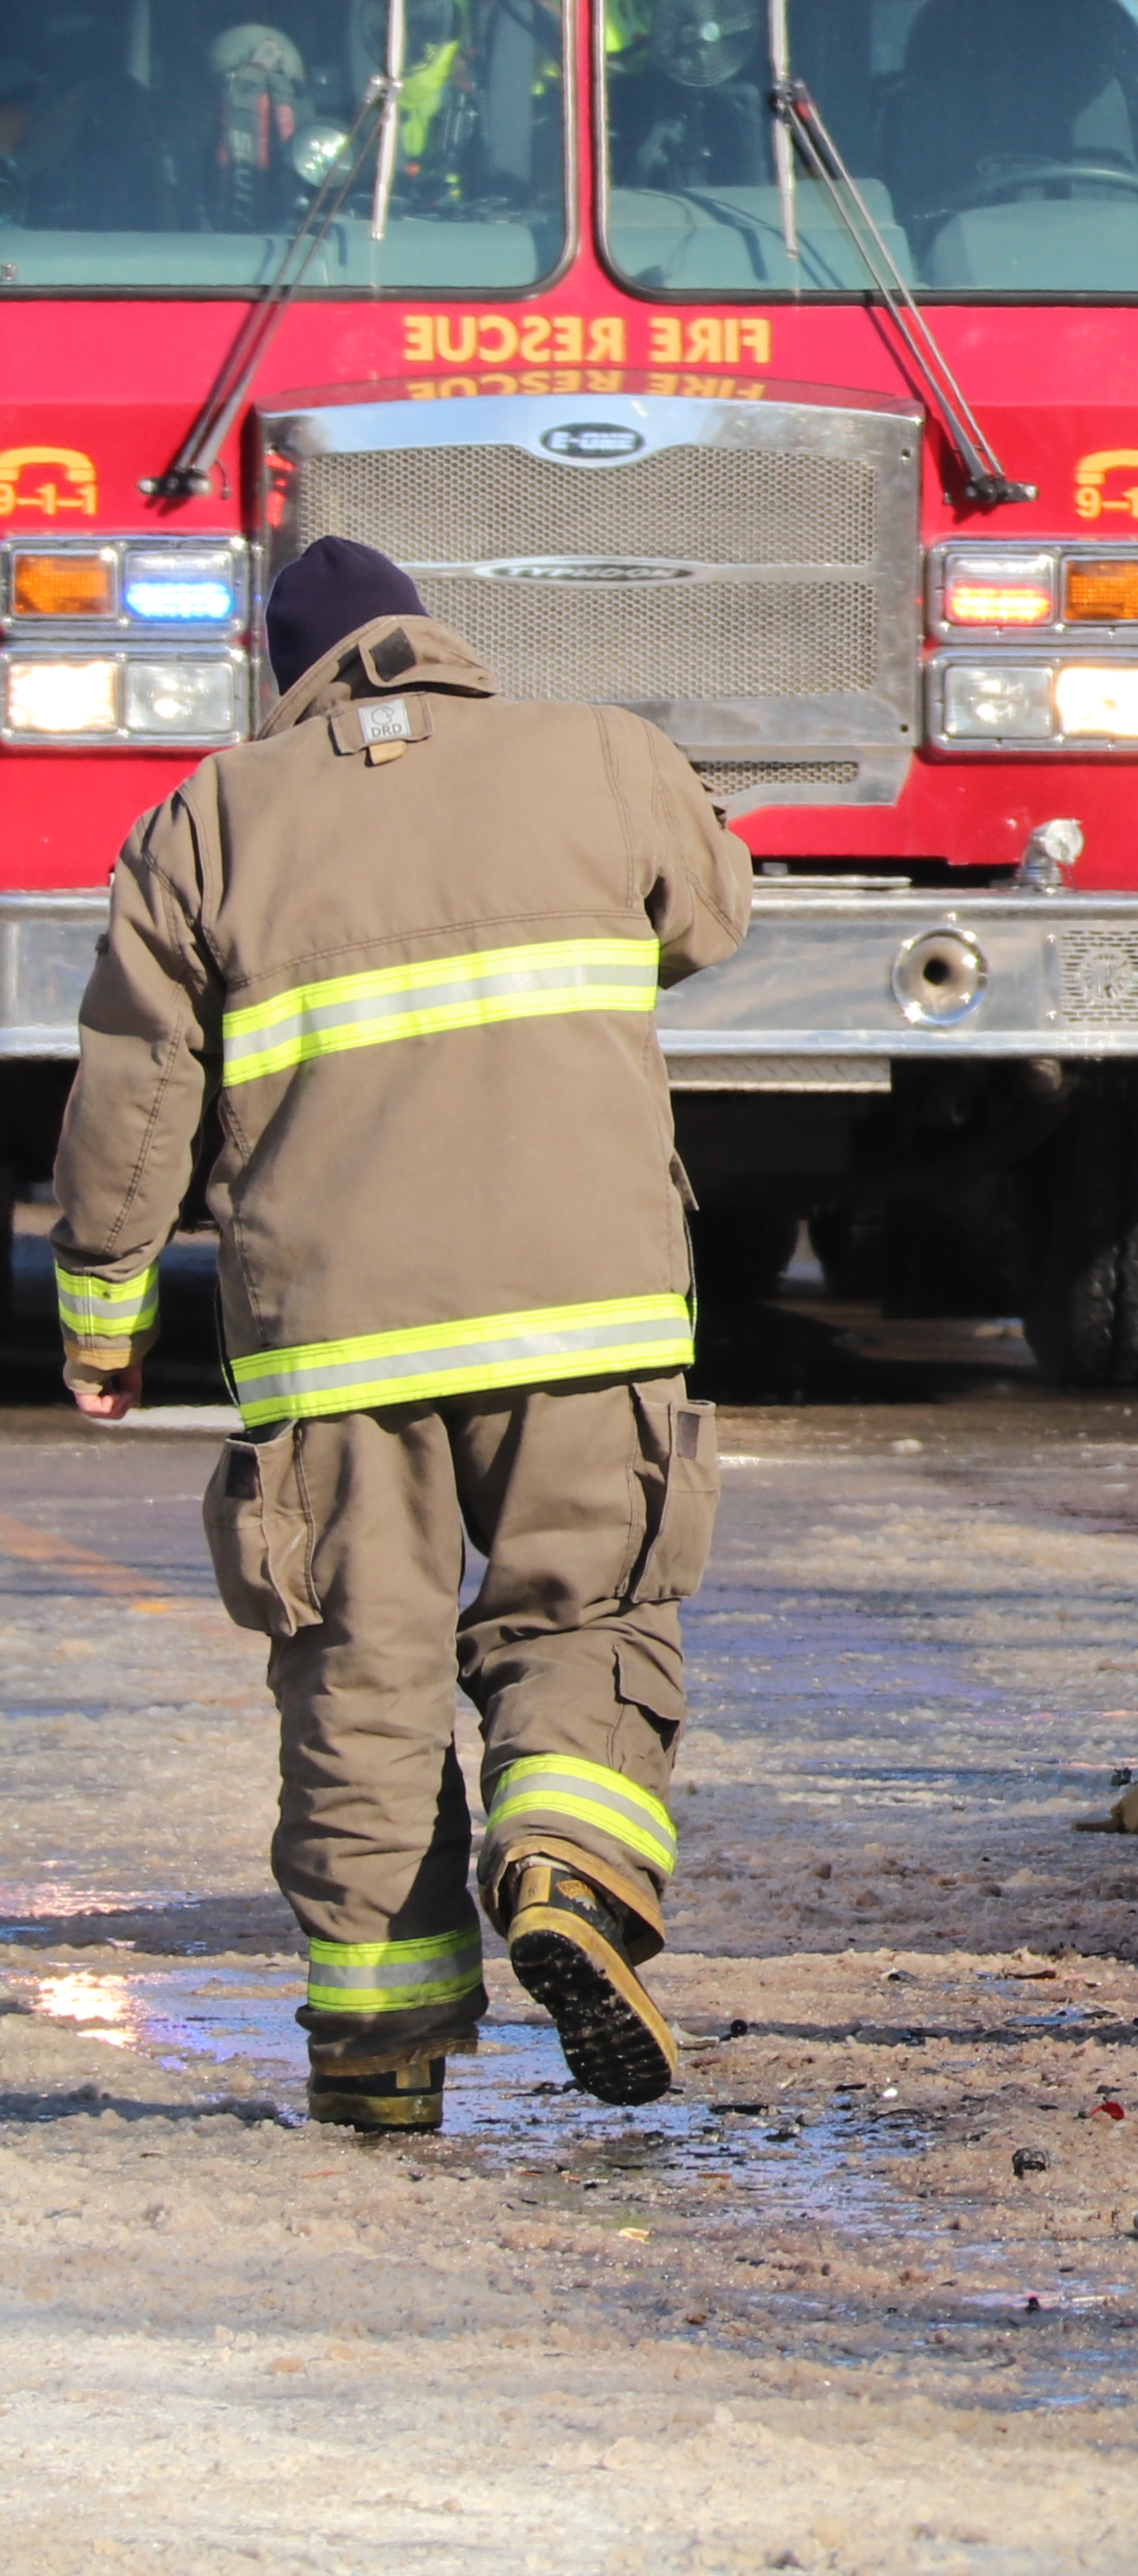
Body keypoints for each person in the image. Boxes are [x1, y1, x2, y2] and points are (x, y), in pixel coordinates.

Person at [47, 538, 750, 2134]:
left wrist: (104, 1318)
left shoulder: (208, 820)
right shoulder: (602, 755)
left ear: (282, 670)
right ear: (434, 636)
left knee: (360, 1677)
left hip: (336, 1351)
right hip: (590, 1313)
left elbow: (133, 1103)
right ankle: (566, 1866)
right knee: (582, 1615)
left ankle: (381, 2050)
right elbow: (712, 917)